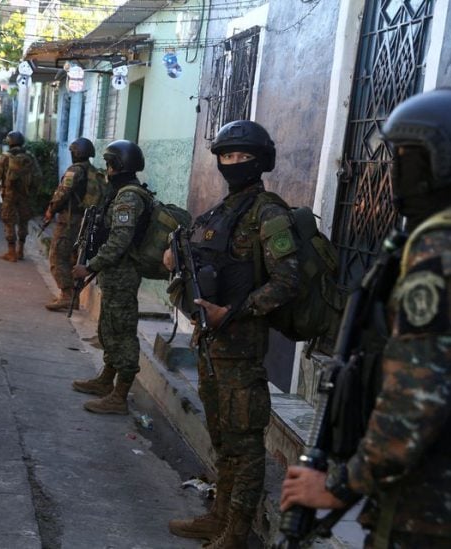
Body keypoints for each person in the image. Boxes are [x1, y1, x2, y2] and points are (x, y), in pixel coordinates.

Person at [280, 88, 451, 547]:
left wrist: (339, 485)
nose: (396, 171)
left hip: (440, 510)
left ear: (444, 158)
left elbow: (416, 396)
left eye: (406, 156)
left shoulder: (444, 254)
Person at [165, 120, 300, 547]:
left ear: (261, 161)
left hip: (240, 349)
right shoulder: (220, 211)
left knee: (244, 442)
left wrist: (234, 313)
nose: (233, 164)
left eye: (242, 157)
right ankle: (219, 515)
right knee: (222, 435)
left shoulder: (269, 213)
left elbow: (287, 281)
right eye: (226, 156)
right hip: (209, 343)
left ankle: (237, 530)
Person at [70, 140, 147, 415]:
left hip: (123, 275)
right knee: (110, 329)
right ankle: (106, 380)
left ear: (118, 165)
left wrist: (90, 266)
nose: (107, 169)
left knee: (123, 333)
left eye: (109, 163)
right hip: (115, 274)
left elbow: (119, 241)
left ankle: (119, 396)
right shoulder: (121, 194)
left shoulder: (128, 198)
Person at [43, 137, 104, 311]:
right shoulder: (94, 172)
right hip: (86, 222)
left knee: (57, 255)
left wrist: (51, 210)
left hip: (70, 221)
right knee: (74, 257)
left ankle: (67, 295)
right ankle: (73, 296)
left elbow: (62, 193)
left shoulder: (74, 171)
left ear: (76, 153)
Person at [0, 131, 41, 262]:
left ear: (9, 142)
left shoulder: (5, 157)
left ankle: (11, 252)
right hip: (26, 195)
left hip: (9, 194)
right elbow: (38, 177)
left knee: (9, 221)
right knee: (24, 221)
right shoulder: (30, 157)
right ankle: (21, 251)